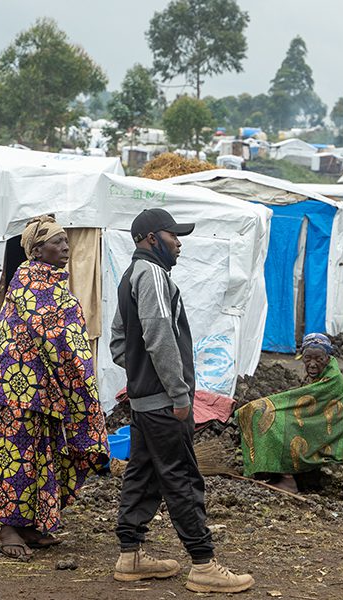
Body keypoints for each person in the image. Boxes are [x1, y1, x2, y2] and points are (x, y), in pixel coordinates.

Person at [110, 208, 253, 594]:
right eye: (174, 235)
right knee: (182, 478)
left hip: (143, 403)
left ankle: (131, 555)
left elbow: (119, 343)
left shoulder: (129, 277)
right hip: (162, 403)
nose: (180, 242)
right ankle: (204, 564)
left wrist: (140, 374)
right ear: (151, 238)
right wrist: (175, 392)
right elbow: (159, 336)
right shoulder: (153, 275)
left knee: (142, 474)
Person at [0, 215, 109, 560]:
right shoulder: (30, 284)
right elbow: (58, 334)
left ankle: (30, 524)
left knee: (40, 454)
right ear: (37, 250)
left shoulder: (48, 283)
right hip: (19, 387)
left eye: (67, 242)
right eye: (57, 242)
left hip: (43, 387)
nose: (65, 247)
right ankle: (6, 527)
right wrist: (82, 382)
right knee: (14, 455)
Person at [236, 333, 343, 494]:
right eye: (308, 358)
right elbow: (303, 400)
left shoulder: (332, 379)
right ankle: (272, 472)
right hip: (315, 422)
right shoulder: (323, 374)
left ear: (328, 357)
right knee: (266, 414)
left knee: (280, 424)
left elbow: (302, 401)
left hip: (328, 431)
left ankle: (288, 480)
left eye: (319, 359)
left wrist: (270, 404)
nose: (312, 364)